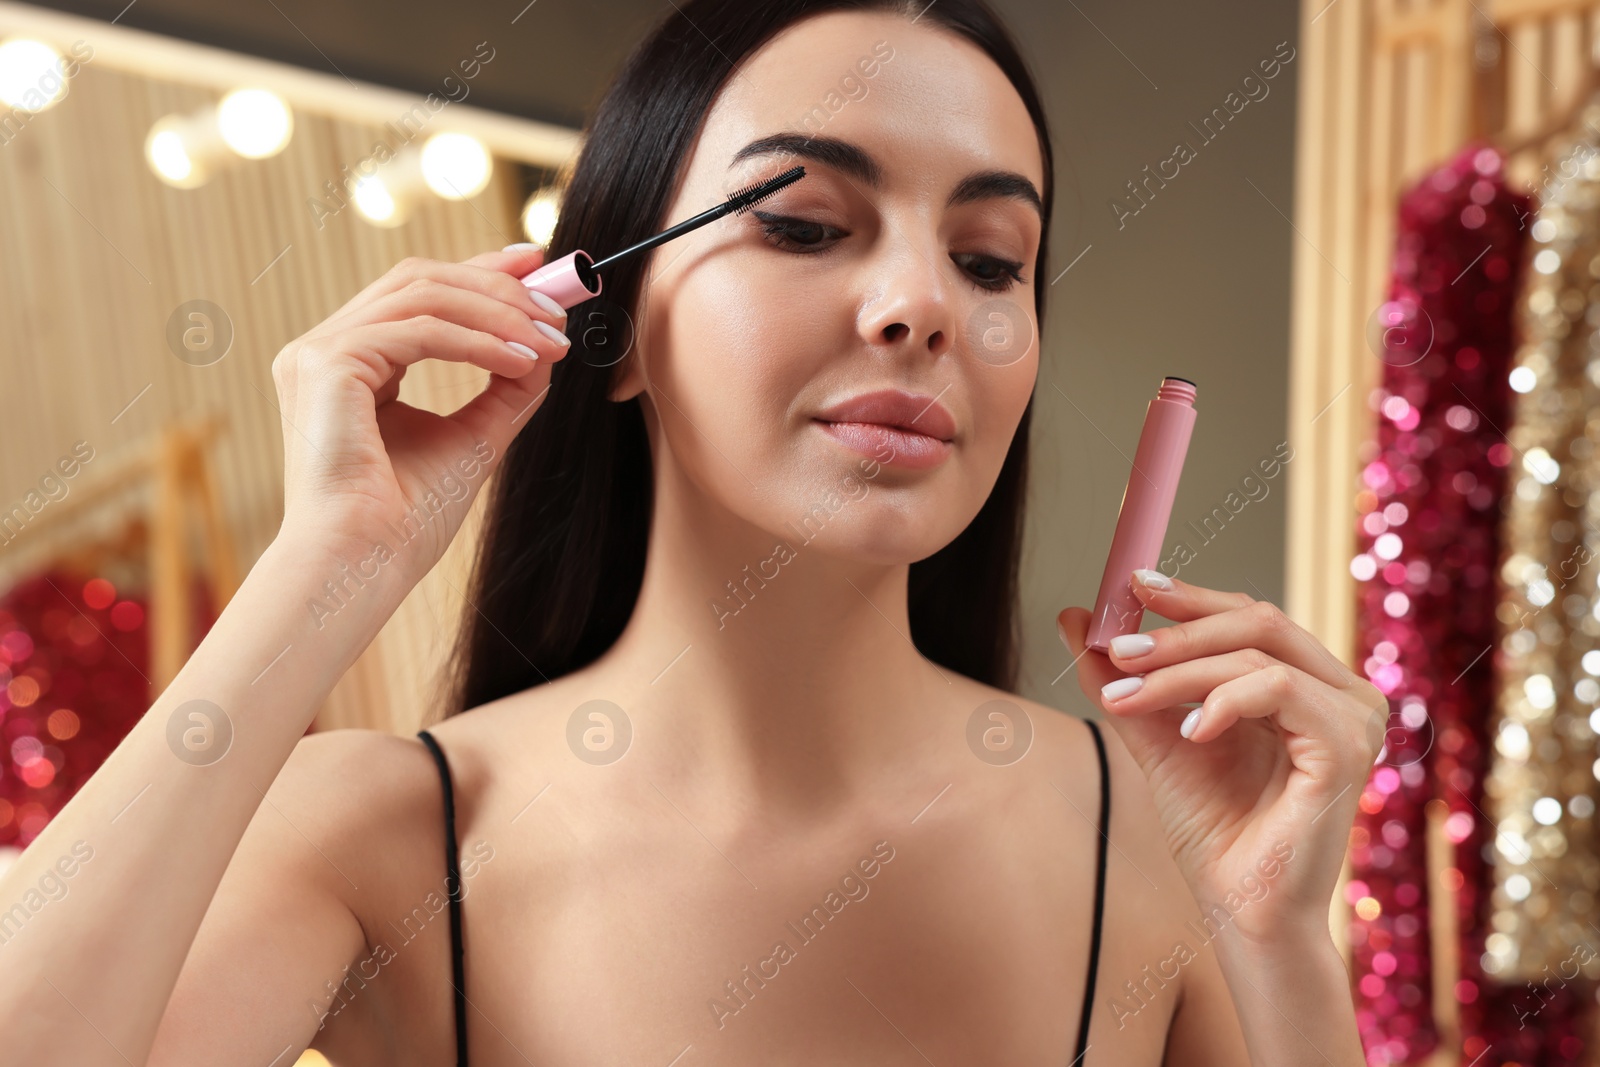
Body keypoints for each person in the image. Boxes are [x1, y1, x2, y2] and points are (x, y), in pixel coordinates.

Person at [0, 0, 1383, 1063]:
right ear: (605, 327)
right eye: (801, 224)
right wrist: (324, 569)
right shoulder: (386, 834)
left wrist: (1277, 949)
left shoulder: (1162, 843)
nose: (922, 305)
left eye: (988, 259)